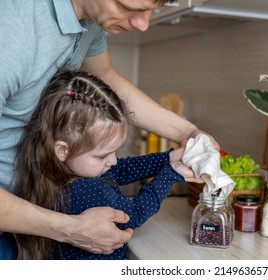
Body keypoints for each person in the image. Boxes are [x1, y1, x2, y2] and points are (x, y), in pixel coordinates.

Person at [0, 0, 218, 259]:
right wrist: (69, 228)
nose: (143, 24)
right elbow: (132, 212)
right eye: (132, 6)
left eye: (152, 9)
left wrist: (187, 133)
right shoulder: (11, 28)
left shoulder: (90, 19)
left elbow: (105, 75)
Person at [14, 68, 199, 260]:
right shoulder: (87, 190)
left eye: (114, 151)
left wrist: (167, 159)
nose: (112, 161)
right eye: (102, 156)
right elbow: (134, 214)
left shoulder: (60, 173)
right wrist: (171, 173)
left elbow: (123, 168)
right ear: (62, 150)